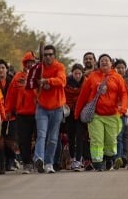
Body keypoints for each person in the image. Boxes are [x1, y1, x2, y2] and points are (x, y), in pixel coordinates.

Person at [75, 53, 128, 171]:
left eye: (107, 60)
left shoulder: (117, 77)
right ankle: (97, 162)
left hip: (113, 115)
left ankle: (109, 158)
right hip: (96, 116)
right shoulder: (92, 77)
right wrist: (77, 112)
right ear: (98, 64)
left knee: (110, 141)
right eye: (102, 61)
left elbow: (125, 94)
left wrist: (123, 109)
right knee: (96, 140)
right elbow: (83, 96)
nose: (104, 62)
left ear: (111, 64)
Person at [32, 45, 67, 174]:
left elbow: (62, 81)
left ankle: (49, 163)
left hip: (57, 107)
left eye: (50, 54)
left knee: (53, 138)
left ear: (54, 55)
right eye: (45, 54)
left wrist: (47, 81)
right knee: (41, 134)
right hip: (42, 107)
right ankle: (39, 159)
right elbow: (31, 83)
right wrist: (37, 90)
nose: (47, 57)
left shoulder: (59, 67)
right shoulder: (38, 68)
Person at [6, 52, 38, 174]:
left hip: (38, 113)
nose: (30, 65)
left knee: (39, 138)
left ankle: (37, 159)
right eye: (28, 62)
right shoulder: (18, 77)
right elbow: (11, 95)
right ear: (24, 63)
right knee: (24, 140)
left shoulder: (40, 76)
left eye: (32, 62)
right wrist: (8, 110)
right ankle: (27, 163)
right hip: (22, 113)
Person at [64, 63, 87, 171]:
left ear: (82, 73)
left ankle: (78, 160)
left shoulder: (86, 83)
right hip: (69, 112)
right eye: (75, 73)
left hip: (81, 113)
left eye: (79, 73)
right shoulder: (66, 83)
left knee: (80, 135)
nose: (77, 76)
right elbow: (63, 96)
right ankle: (72, 158)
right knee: (70, 136)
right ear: (71, 73)